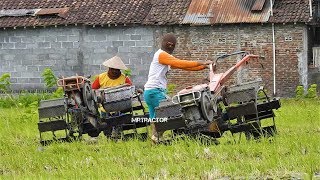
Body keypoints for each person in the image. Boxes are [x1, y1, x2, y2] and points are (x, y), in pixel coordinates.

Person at [143, 33, 212, 143]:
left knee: (157, 119)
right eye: (172, 45)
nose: (172, 48)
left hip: (149, 92)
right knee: (174, 112)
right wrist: (202, 62)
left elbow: (182, 66)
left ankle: (155, 140)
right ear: (168, 44)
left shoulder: (164, 57)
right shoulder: (161, 55)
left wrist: (203, 67)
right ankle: (167, 137)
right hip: (155, 91)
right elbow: (180, 62)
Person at [92, 56, 132, 138]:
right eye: (112, 69)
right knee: (106, 127)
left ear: (120, 70)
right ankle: (109, 138)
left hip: (120, 106)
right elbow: (93, 90)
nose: (114, 71)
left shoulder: (124, 79)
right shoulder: (101, 77)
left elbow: (130, 90)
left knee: (118, 124)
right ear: (109, 68)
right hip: (105, 107)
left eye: (117, 70)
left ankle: (117, 134)